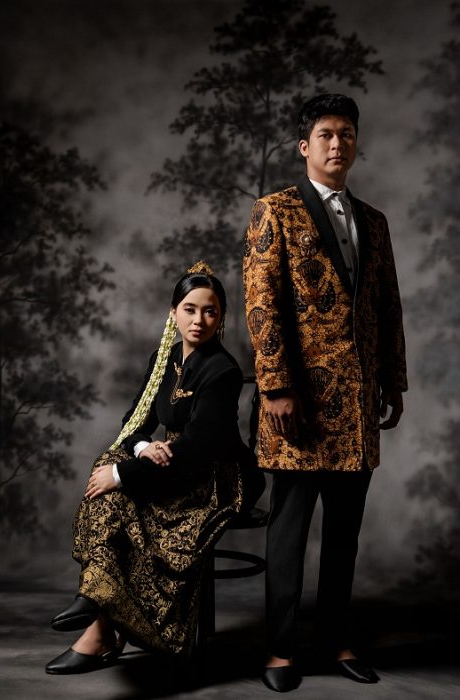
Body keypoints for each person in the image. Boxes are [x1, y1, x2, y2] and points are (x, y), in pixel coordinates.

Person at [243, 94, 407, 692]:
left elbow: (388, 306)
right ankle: (280, 651)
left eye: (347, 134)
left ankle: (336, 640)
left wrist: (393, 380)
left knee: (344, 534)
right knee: (288, 533)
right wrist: (275, 388)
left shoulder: (374, 221)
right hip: (297, 407)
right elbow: (262, 306)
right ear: (304, 146)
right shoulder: (275, 211)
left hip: (357, 406)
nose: (338, 144)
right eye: (326, 134)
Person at [46, 261, 260, 674]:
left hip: (215, 475)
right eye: (190, 309)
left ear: (221, 318)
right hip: (172, 461)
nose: (199, 320)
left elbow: (198, 450)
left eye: (210, 311)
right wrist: (144, 448)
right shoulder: (164, 358)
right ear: (173, 312)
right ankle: (97, 610)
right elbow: (133, 422)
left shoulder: (223, 371)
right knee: (110, 464)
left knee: (116, 481)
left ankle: (96, 613)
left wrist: (123, 475)